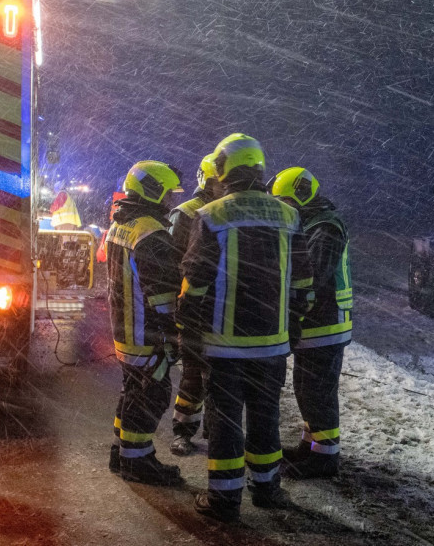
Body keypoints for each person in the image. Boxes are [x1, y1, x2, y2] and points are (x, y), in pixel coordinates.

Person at [178, 134, 313, 522]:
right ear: (258, 168)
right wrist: (293, 327)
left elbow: (194, 284)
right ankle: (267, 489)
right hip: (272, 346)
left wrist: (188, 331)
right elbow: (304, 283)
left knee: (225, 422)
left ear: (223, 169)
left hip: (224, 347)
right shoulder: (289, 216)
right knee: (266, 417)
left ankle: (224, 500)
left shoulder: (212, 215)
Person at [270, 167, 353, 479]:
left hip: (326, 323)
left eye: (286, 201)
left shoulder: (326, 227)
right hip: (316, 323)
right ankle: (311, 445)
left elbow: (314, 274)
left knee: (318, 393)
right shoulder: (312, 223)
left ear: (301, 195)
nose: (284, 208)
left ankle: (325, 459)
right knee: (306, 388)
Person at [106, 160, 184, 486]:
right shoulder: (152, 233)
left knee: (132, 391)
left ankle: (121, 452)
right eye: (167, 194)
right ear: (153, 191)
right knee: (152, 394)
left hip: (125, 330)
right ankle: (137, 463)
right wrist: (174, 333)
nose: (170, 201)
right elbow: (163, 297)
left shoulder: (121, 224)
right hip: (145, 333)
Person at [168, 153, 222, 456]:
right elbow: (170, 264)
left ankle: (211, 432)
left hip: (214, 306)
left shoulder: (221, 212)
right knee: (196, 373)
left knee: (214, 374)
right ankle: (187, 431)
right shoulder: (187, 213)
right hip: (199, 305)